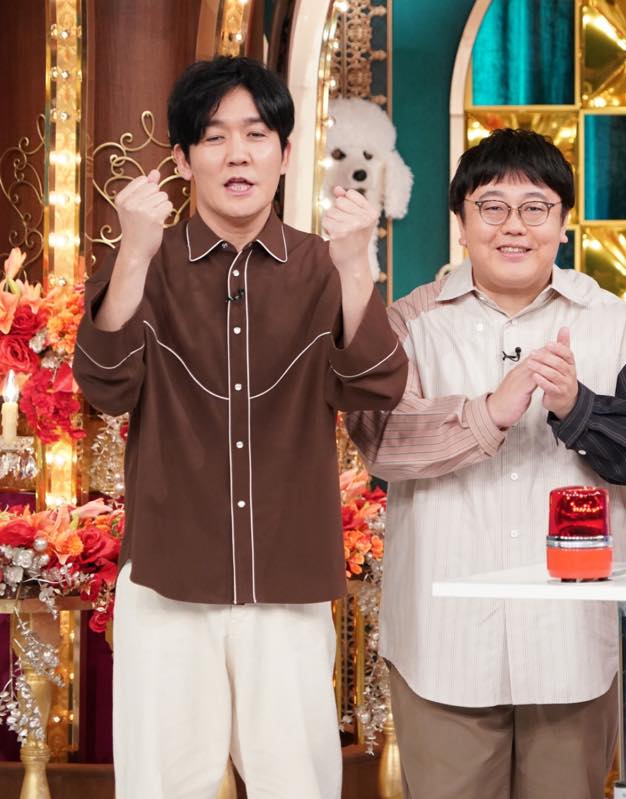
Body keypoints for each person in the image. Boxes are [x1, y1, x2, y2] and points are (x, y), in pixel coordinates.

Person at [73, 56, 408, 797]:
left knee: (296, 784)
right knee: (165, 786)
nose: (237, 155)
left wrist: (357, 265)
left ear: (285, 155)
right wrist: (133, 252)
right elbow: (105, 385)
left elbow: (376, 387)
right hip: (167, 581)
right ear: (183, 159)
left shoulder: (322, 265)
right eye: (215, 136)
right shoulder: (147, 263)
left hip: (287, 582)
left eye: (256, 135)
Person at [345, 128, 626, 799]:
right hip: (442, 643)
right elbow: (380, 439)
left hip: (572, 643)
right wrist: (489, 413)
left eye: (535, 208)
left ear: (563, 222)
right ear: (462, 220)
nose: (514, 227)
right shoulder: (410, 323)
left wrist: (578, 407)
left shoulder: (614, 323)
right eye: (492, 207)